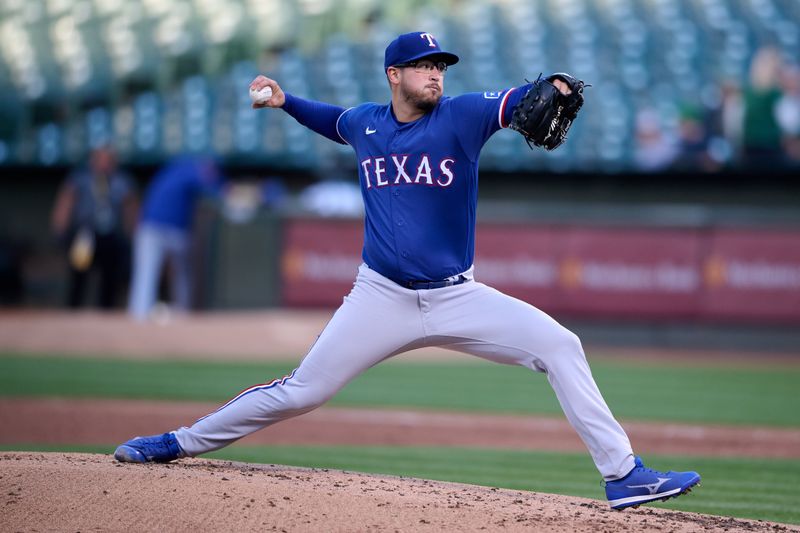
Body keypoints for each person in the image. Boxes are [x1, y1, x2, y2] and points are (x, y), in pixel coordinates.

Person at [114, 32, 700, 510]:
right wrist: (284, 101)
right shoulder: (366, 124)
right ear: (394, 75)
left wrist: (555, 86)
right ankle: (179, 442)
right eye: (423, 66)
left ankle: (623, 475)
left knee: (560, 344)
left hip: (457, 295)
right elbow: (331, 119)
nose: (436, 74)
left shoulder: (462, 116)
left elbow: (513, 102)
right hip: (381, 297)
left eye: (440, 65)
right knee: (301, 391)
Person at [127, 154, 224, 321]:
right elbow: (217, 189)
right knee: (175, 274)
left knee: (149, 273)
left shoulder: (172, 170)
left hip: (153, 227)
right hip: (164, 230)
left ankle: (140, 314)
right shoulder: (193, 171)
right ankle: (177, 312)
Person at [50, 145, 137, 309]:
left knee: (110, 277)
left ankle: (106, 313)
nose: (104, 164)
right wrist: (59, 227)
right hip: (85, 235)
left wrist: (132, 233)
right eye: (100, 159)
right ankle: (73, 310)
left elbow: (130, 209)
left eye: (108, 160)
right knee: (79, 274)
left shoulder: (122, 181)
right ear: (93, 160)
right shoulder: (80, 178)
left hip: (110, 236)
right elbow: (65, 203)